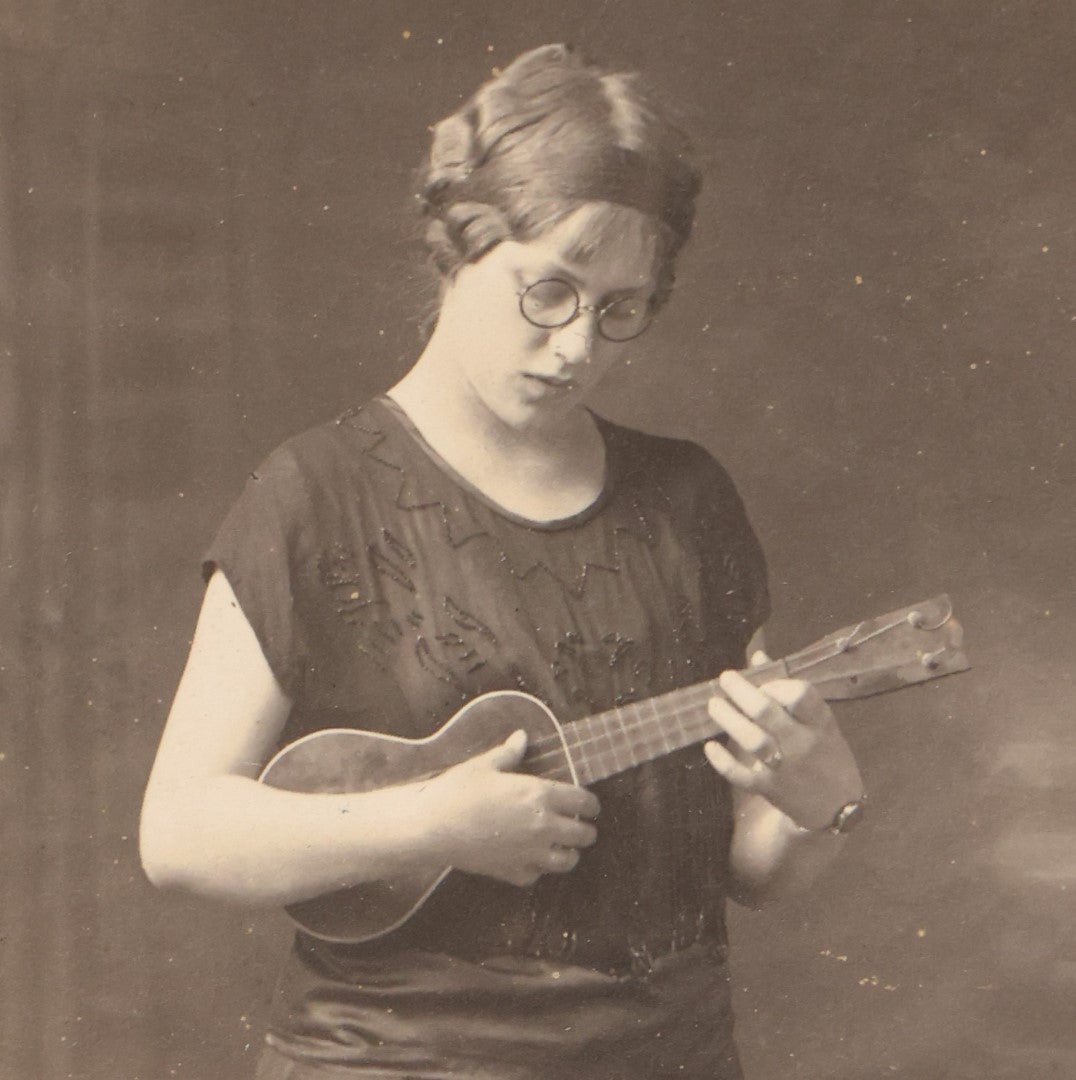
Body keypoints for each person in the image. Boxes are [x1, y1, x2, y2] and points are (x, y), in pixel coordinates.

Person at [140, 43, 865, 1080]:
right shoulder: (314, 491)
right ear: (459, 245)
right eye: (549, 291)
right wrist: (425, 824)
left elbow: (747, 864)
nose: (577, 346)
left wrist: (817, 799)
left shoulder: (686, 500)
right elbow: (178, 834)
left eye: (622, 309)